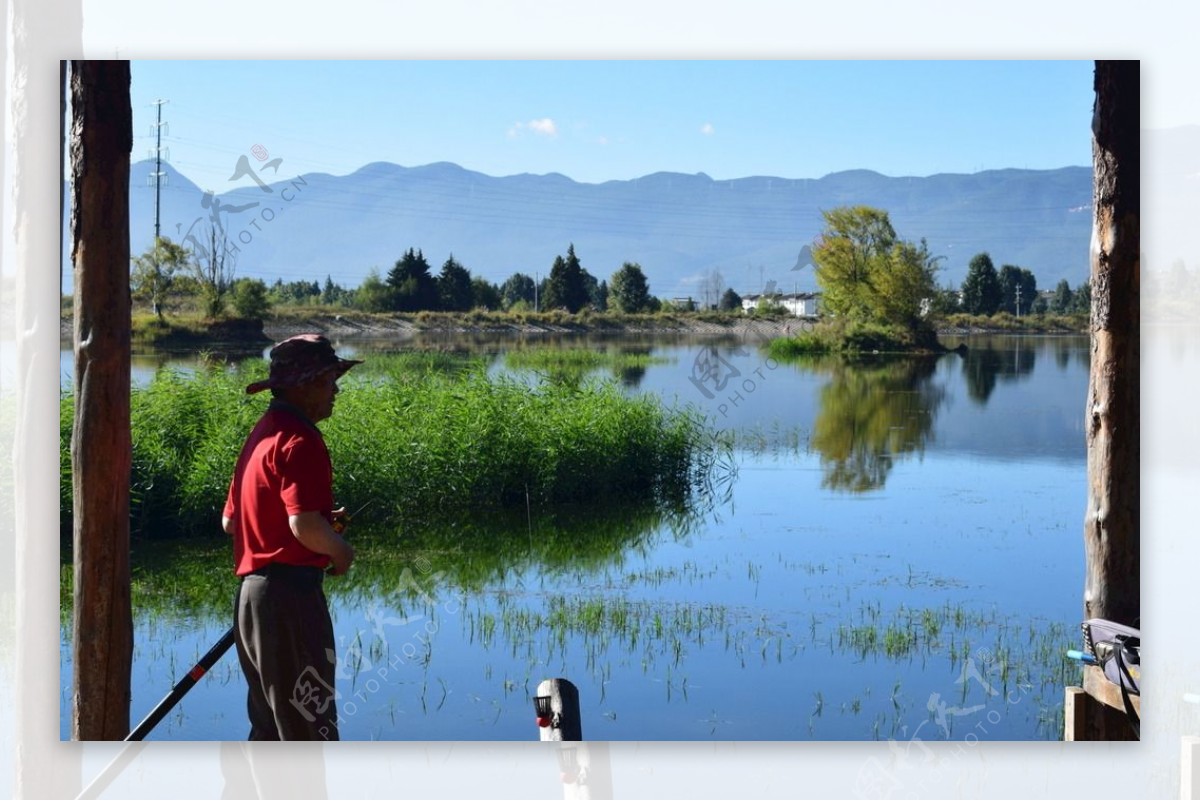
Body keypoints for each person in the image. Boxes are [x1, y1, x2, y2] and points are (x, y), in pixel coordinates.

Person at [222, 333, 361, 740]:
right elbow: (305, 526)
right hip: (290, 601)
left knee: (270, 732)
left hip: (253, 601)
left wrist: (311, 524)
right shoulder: (301, 441)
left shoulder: (261, 435)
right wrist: (341, 552)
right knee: (306, 732)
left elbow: (232, 523)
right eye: (327, 379)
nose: (336, 389)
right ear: (302, 386)